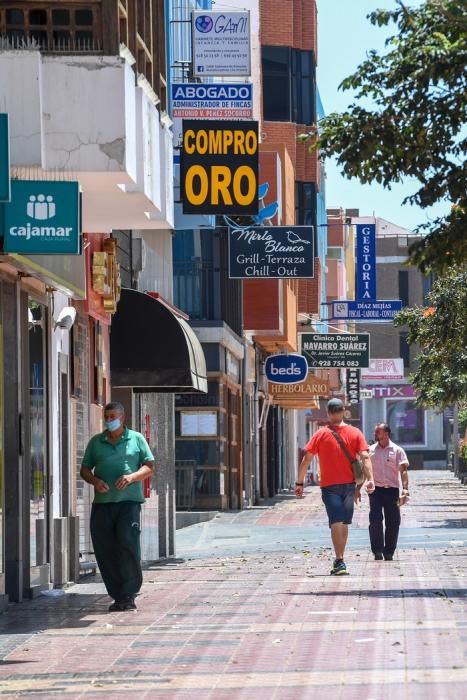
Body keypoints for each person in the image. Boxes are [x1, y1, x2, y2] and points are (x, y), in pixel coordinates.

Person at [80, 401, 155, 612]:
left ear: (123, 418)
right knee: (105, 549)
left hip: (128, 503)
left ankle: (129, 592)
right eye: (107, 416)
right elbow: (84, 469)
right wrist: (95, 481)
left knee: (127, 544)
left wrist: (131, 477)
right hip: (103, 504)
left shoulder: (136, 439)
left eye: (114, 416)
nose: (110, 420)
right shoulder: (96, 442)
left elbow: (149, 467)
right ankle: (118, 595)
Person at [295, 398, 375, 575]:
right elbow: (365, 457)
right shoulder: (355, 433)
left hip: (330, 486)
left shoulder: (320, 434)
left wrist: (299, 482)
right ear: (343, 411)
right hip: (349, 486)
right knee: (344, 522)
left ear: (328, 413)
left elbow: (306, 459)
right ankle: (340, 558)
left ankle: (339, 560)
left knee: (336, 522)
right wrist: (371, 479)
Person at [368, 422, 409, 561]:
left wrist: (405, 489)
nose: (375, 434)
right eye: (375, 431)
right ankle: (377, 550)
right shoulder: (371, 450)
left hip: (392, 490)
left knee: (393, 521)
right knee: (375, 520)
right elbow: (365, 470)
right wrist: (357, 487)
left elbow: (403, 471)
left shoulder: (397, 450)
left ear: (387, 434)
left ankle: (389, 551)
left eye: (378, 431)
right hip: (375, 490)